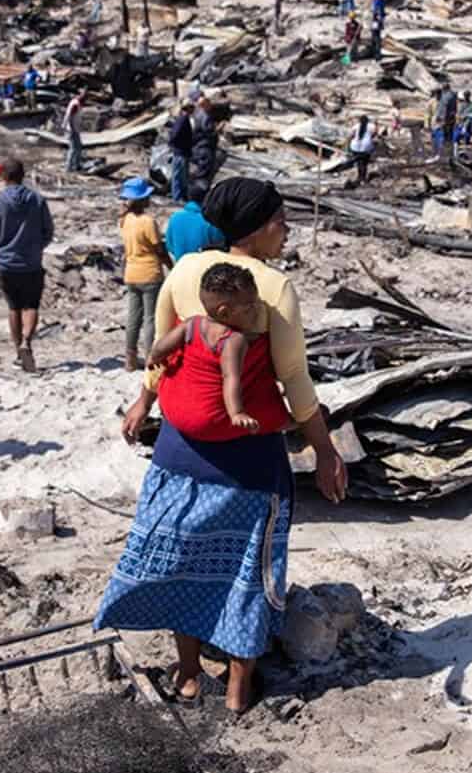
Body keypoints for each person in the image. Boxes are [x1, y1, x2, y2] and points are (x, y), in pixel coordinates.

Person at [96, 177, 348, 716]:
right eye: (281, 220)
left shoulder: (186, 270)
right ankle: (238, 687)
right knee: (247, 568)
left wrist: (143, 402)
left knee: (183, 560)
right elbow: (295, 380)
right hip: (249, 455)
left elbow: (160, 353)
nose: (287, 230)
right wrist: (325, 450)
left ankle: (188, 674)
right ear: (257, 228)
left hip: (180, 448)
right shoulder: (274, 288)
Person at [148, 262, 284, 434]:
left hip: (170, 409)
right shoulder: (234, 340)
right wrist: (237, 413)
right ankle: (288, 423)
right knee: (270, 413)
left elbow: (161, 347)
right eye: (250, 307)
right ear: (224, 312)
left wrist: (153, 357)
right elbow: (231, 378)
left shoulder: (192, 323)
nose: (257, 311)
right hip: (206, 420)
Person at [0, 158, 54, 373]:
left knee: (13, 307)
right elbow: (48, 231)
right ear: (23, 175)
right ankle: (27, 342)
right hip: (31, 263)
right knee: (31, 306)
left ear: (3, 176)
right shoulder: (38, 200)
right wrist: (37, 246)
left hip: (6, 264)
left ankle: (17, 351)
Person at [119, 177, 170, 371]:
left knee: (133, 317)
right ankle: (151, 356)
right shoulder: (148, 222)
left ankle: (129, 358)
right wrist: (170, 265)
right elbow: (159, 249)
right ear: (141, 200)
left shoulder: (125, 220)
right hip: (149, 273)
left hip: (131, 273)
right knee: (150, 318)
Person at [164, 179, 225, 262]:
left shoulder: (175, 217)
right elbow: (221, 246)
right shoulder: (211, 220)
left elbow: (169, 245)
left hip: (181, 266)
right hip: (203, 268)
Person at [168, 100, 194, 202]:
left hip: (182, 152)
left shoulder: (183, 118)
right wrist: (175, 145)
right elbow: (174, 134)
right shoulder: (183, 119)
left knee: (182, 177)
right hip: (180, 152)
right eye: (192, 107)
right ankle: (177, 199)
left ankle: (181, 197)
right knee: (178, 177)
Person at [191, 97, 218, 182]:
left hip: (198, 143)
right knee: (205, 164)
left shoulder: (197, 114)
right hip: (204, 144)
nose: (211, 106)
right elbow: (208, 131)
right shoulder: (205, 117)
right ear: (205, 105)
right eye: (209, 104)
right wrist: (217, 130)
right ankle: (200, 182)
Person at [63, 89, 87, 172]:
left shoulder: (77, 103)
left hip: (74, 129)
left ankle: (76, 165)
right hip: (72, 129)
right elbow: (69, 116)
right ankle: (68, 167)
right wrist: (72, 128)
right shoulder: (75, 104)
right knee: (73, 148)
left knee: (78, 147)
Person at [349, 115, 376, 184]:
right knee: (364, 163)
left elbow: (351, 135)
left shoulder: (356, 126)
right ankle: (363, 178)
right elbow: (374, 134)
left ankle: (359, 177)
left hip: (355, 147)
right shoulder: (371, 126)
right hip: (366, 147)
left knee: (359, 163)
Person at [437, 84, 458, 156]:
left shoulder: (446, 96)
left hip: (446, 119)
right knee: (450, 136)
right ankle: (450, 154)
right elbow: (455, 109)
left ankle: (446, 154)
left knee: (446, 137)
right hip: (451, 119)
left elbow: (444, 108)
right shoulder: (453, 95)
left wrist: (440, 118)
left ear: (444, 88)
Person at [426, 88, 444, 157]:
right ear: (435, 94)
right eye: (437, 94)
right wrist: (427, 124)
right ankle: (434, 154)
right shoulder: (431, 102)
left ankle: (439, 154)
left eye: (440, 94)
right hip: (434, 123)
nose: (438, 96)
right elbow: (428, 113)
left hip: (442, 123)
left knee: (440, 139)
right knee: (433, 139)